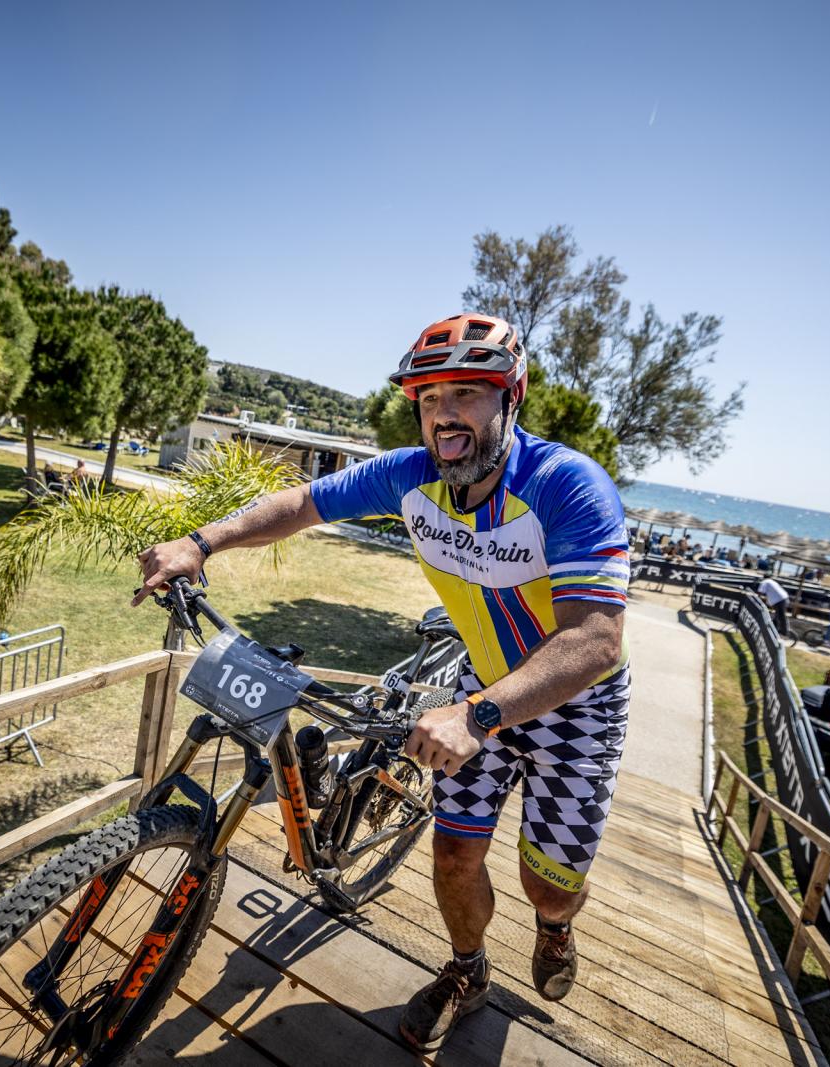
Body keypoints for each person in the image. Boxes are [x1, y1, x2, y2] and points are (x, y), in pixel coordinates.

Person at [133, 313, 631, 1051]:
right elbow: (303, 503)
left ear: (512, 395)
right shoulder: (410, 474)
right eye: (429, 399)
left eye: (466, 393)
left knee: (548, 887)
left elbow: (595, 639)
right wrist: (200, 542)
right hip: (481, 687)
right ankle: (467, 970)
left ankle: (556, 927)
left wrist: (476, 716)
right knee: (454, 855)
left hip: (575, 706)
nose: (444, 414)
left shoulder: (567, 485)